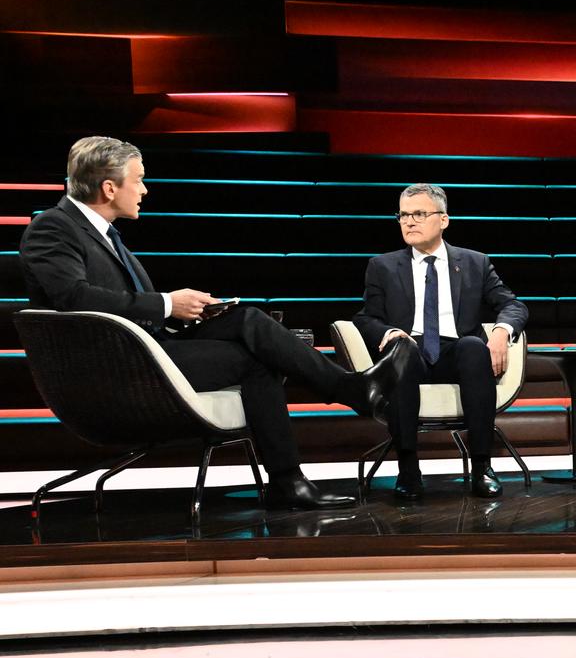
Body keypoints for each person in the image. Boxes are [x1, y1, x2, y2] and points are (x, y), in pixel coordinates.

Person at [19, 136, 396, 510]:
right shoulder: (53, 228)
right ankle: (320, 436)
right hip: (116, 367)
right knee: (257, 361)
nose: (145, 190)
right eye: (139, 179)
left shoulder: (104, 235)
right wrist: (168, 304)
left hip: (149, 348)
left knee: (246, 318)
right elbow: (74, 298)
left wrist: (189, 310)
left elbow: (122, 305)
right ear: (108, 187)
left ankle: (317, 439)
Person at [352, 183, 529, 500]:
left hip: (457, 353)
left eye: (419, 214)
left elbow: (513, 305)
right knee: (402, 353)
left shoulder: (475, 262)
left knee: (474, 346)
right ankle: (408, 470)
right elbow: (366, 318)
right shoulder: (382, 266)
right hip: (412, 351)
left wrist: (502, 331)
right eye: (403, 215)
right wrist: (389, 333)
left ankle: (482, 468)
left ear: (443, 220)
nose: (409, 222)